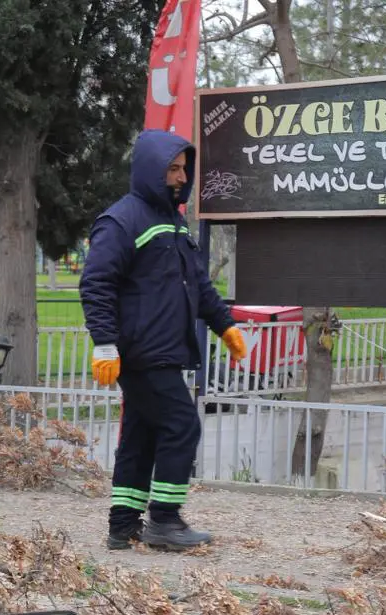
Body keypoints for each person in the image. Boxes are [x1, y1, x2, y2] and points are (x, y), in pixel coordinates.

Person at [80, 129, 249, 551]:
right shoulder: (121, 220)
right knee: (181, 425)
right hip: (141, 351)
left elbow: (198, 285)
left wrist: (223, 324)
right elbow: (96, 284)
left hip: (162, 349)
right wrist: (104, 343)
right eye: (172, 168)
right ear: (151, 170)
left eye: (183, 169)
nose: (179, 177)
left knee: (143, 434)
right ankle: (165, 520)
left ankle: (122, 525)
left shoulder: (171, 223)